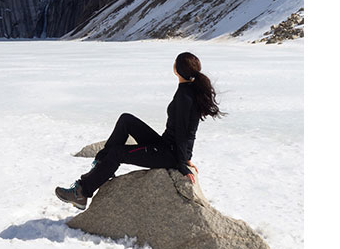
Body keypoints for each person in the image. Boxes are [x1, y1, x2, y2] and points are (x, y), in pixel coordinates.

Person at [55, 51, 223, 209]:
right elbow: (187, 130)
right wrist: (186, 156)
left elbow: (184, 132)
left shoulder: (185, 97)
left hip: (168, 154)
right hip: (166, 145)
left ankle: (82, 192)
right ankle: (100, 165)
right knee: (126, 120)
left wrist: (183, 162)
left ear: (177, 70)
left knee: (116, 153)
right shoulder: (187, 90)